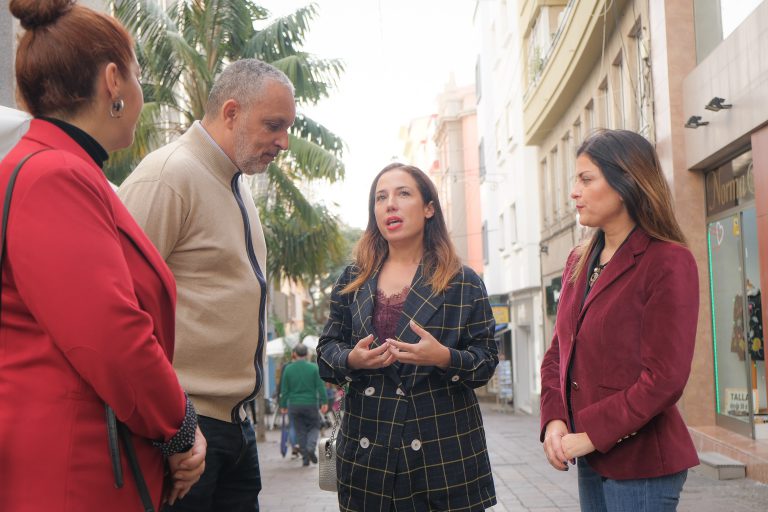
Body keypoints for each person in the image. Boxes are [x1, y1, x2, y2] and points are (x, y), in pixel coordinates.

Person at [0, 1, 206, 511]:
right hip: (74, 469)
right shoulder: (54, 175)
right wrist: (180, 428)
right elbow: (112, 335)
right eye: (139, 76)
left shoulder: (59, 168)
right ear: (113, 81)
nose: (142, 92)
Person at [118, 58, 296, 511]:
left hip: (234, 430)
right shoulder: (169, 175)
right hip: (183, 430)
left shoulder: (236, 184)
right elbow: (119, 309)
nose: (284, 142)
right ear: (231, 112)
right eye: (274, 125)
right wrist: (172, 426)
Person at [317, 163, 499, 511]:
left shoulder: (463, 281)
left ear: (429, 208)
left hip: (441, 456)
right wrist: (352, 359)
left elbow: (487, 360)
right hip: (369, 452)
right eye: (380, 197)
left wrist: (444, 357)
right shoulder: (353, 279)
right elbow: (326, 350)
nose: (390, 205)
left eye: (403, 194)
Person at [539, 129, 700, 511]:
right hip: (591, 457)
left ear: (626, 182)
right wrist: (554, 420)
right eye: (574, 180)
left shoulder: (668, 261)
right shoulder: (578, 262)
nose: (574, 192)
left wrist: (591, 433)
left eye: (586, 179)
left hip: (644, 464)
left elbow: (665, 378)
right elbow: (557, 353)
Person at [279, 343, 328, 466]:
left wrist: (283, 406)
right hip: (310, 404)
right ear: (307, 354)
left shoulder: (288, 369)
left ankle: (305, 459)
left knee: (300, 431)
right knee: (314, 427)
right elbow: (320, 387)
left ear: (294, 354)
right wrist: (324, 402)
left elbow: (284, 390)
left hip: (294, 405)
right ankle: (311, 447)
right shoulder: (313, 368)